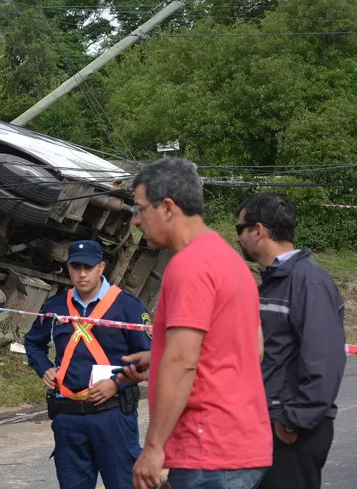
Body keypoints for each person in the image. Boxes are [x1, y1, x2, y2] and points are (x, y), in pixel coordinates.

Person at [119, 157, 272, 489]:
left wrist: (154, 447)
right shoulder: (231, 261)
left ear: (169, 207)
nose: (136, 220)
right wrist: (156, 358)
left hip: (208, 449)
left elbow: (182, 360)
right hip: (242, 445)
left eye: (140, 209)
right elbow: (251, 349)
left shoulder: (189, 265)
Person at [235, 192, 345, 489]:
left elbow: (324, 360)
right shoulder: (275, 281)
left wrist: (293, 422)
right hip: (267, 425)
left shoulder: (308, 280)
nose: (237, 239)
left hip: (291, 431)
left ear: (258, 230)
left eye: (239, 230)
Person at [24, 240, 151, 489]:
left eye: (89, 267)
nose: (82, 274)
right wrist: (44, 369)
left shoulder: (127, 307)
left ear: (101, 267)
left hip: (112, 415)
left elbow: (149, 357)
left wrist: (117, 384)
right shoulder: (55, 307)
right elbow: (32, 344)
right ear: (69, 269)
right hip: (68, 417)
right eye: (76, 267)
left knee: (123, 484)